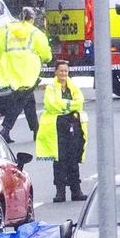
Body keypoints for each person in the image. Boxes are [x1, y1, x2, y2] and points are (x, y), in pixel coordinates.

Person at [0, 7, 51, 142]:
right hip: (28, 72)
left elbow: (1, 51)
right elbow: (45, 54)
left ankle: (36, 130)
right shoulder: (35, 33)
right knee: (20, 101)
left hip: (10, 70)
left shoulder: (7, 31)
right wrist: (45, 59)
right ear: (32, 19)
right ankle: (5, 129)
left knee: (28, 99)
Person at [36, 61, 88, 202]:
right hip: (57, 127)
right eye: (61, 71)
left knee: (73, 159)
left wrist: (64, 107)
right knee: (59, 160)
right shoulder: (51, 88)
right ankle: (60, 193)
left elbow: (80, 102)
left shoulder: (73, 87)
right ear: (56, 72)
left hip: (73, 125)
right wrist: (70, 107)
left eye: (66, 71)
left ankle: (76, 191)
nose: (63, 74)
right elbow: (51, 105)